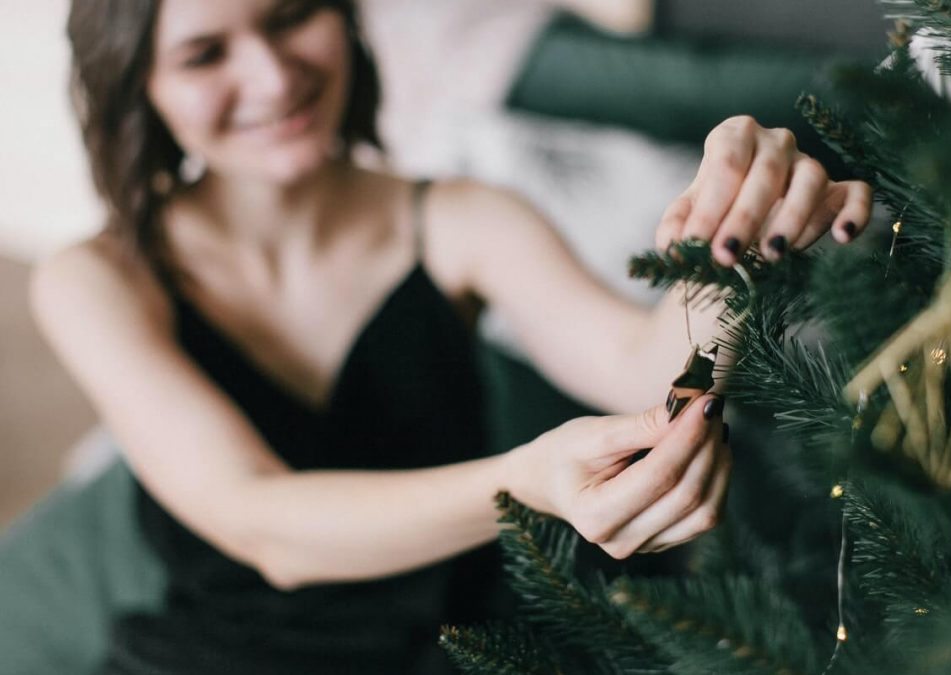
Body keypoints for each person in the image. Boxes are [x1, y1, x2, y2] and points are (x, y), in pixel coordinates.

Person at [31, 0, 872, 672]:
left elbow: (638, 372)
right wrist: (523, 479)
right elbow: (263, 523)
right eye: (204, 53)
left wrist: (733, 227)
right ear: (135, 83)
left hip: (471, 646)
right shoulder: (95, 279)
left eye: (292, 16)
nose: (271, 73)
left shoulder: (461, 217)